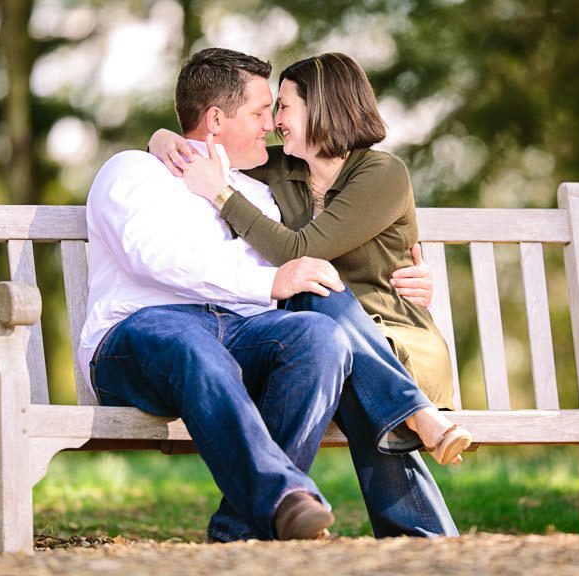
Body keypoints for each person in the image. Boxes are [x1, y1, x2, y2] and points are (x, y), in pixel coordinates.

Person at [146, 49, 472, 540]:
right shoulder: (279, 169)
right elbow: (211, 143)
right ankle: (422, 508)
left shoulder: (381, 174)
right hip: (320, 341)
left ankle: (248, 529)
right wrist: (163, 137)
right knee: (318, 313)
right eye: (270, 110)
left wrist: (221, 195)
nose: (273, 122)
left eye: (283, 107)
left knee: (317, 296)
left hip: (390, 338)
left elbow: (298, 249)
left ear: (323, 107)